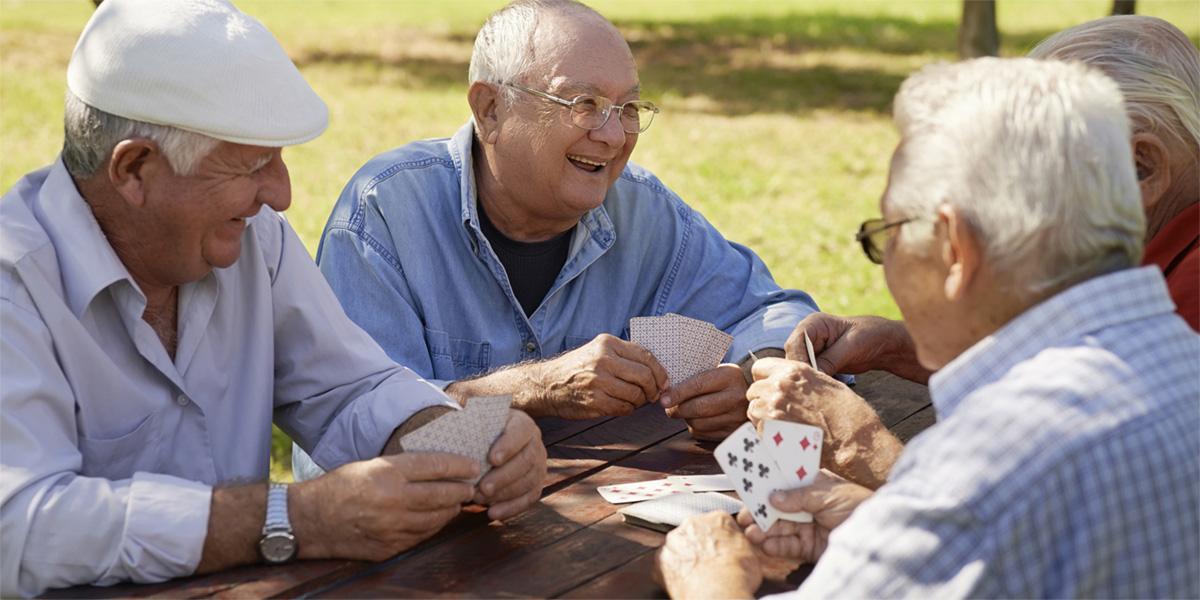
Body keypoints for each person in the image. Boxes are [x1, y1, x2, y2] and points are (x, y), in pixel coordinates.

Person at [0, 1, 544, 596]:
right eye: (254, 164)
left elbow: (349, 389)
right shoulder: (14, 283)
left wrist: (467, 440)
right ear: (134, 169)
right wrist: (291, 519)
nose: (281, 195)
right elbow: (21, 524)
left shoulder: (253, 238)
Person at [658, 57, 1200, 598]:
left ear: (954, 247)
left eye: (887, 232)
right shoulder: (1178, 358)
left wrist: (708, 575)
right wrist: (876, 524)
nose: (887, 260)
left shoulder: (990, 455)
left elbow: (982, 509)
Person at [292, 0, 822, 479]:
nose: (614, 137)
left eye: (629, 108)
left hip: (599, 541)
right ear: (490, 110)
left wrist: (752, 375)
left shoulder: (642, 211)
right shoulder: (385, 212)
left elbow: (781, 314)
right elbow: (351, 445)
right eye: (584, 103)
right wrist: (532, 391)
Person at [746, 15, 1200, 489]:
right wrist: (901, 346)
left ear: (1140, 167)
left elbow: (1034, 513)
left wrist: (855, 442)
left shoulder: (1188, 296)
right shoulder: (1144, 267)